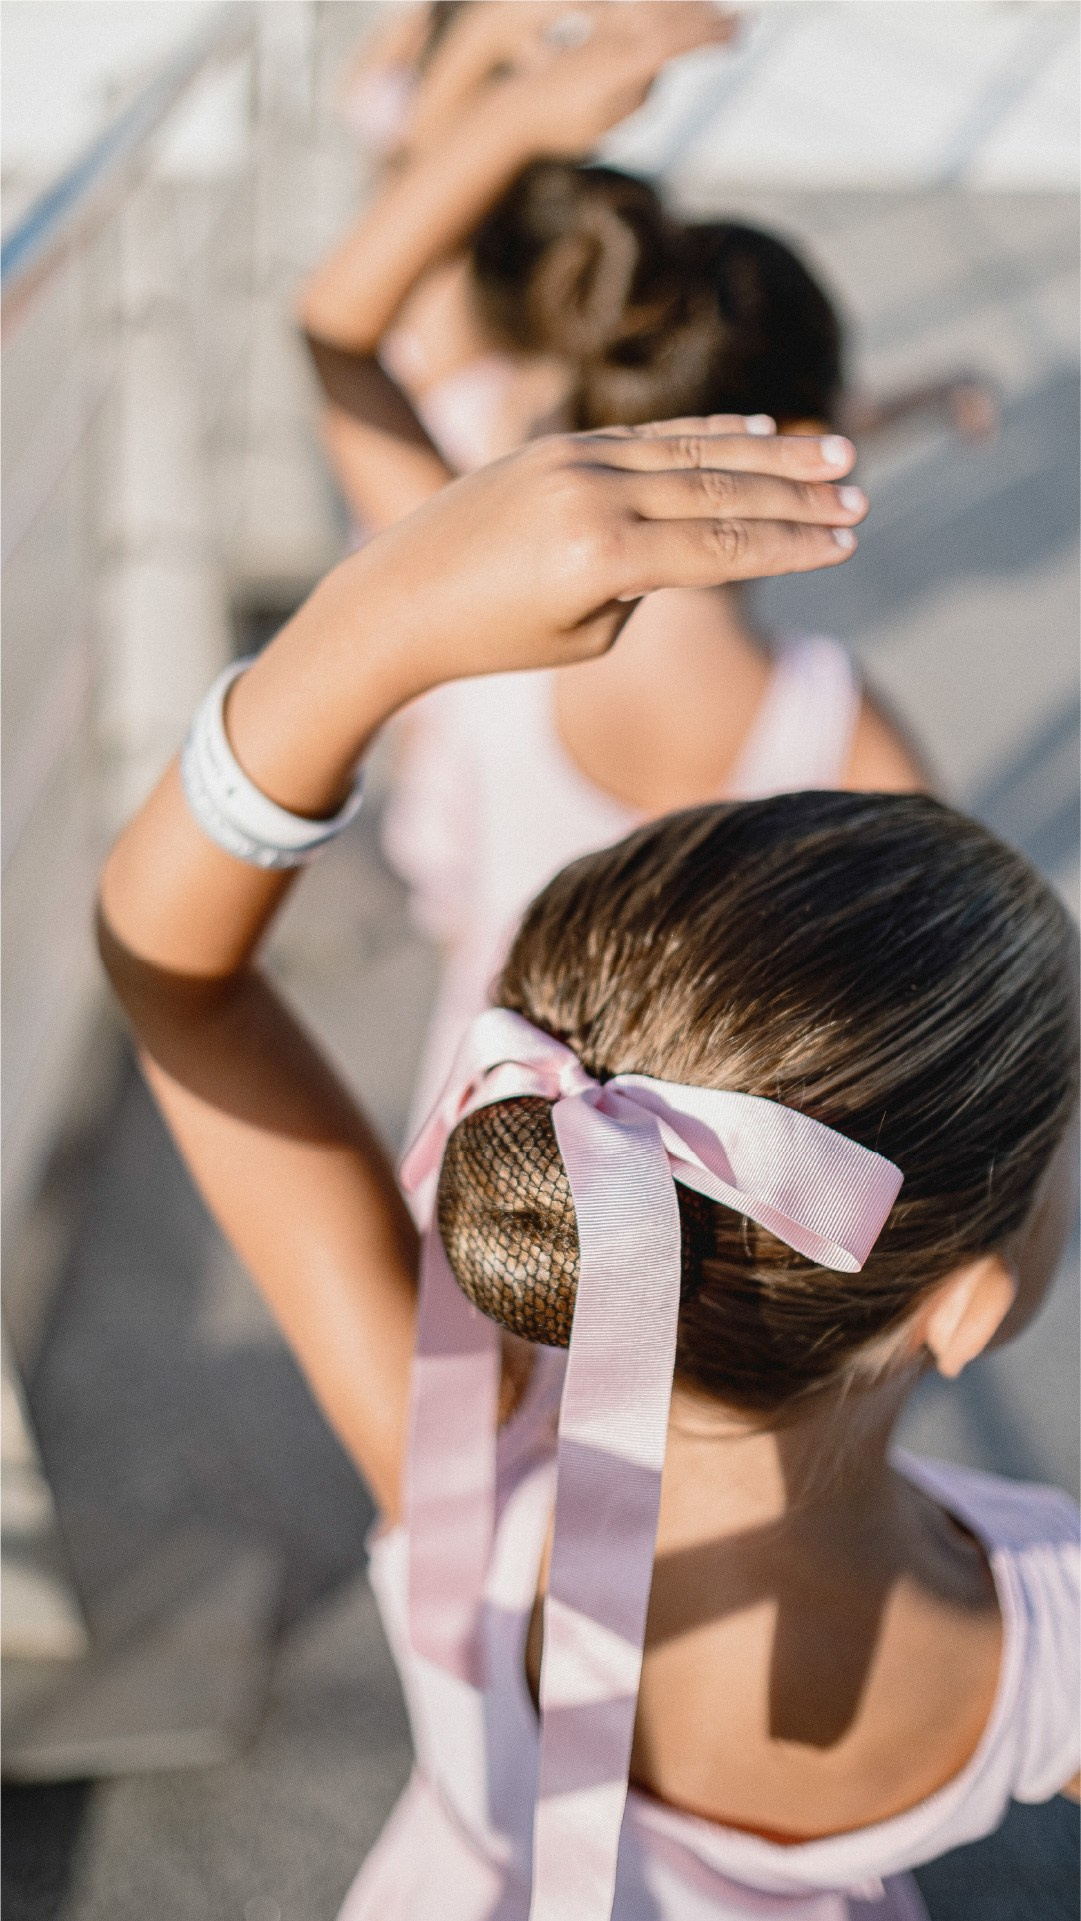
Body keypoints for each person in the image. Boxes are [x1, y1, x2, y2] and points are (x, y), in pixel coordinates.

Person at [98, 421, 1079, 1921]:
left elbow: (173, 973)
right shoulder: (1046, 1630)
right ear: (962, 1303)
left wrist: (377, 623)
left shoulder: (462, 1459)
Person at [301, 4, 938, 1132]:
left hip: (479, 1168)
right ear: (818, 439)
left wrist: (515, 116)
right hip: (733, 1248)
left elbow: (337, 330)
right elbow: (954, 1015)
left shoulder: (483, 616)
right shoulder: (847, 730)